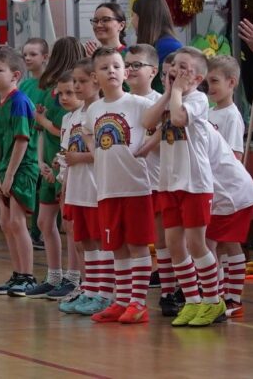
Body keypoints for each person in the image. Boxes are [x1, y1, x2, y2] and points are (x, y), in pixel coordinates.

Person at [142, 46, 225, 327]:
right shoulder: (170, 98)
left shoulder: (198, 99)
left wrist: (176, 91)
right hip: (169, 183)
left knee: (195, 243)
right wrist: (168, 92)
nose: (176, 70)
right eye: (175, 65)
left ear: (198, 78)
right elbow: (147, 122)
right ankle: (191, 301)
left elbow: (178, 119)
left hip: (195, 184)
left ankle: (213, 301)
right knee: (175, 244)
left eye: (184, 67)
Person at [84, 47, 156, 324]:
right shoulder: (94, 109)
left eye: (116, 66)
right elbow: (88, 132)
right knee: (117, 247)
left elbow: (164, 123)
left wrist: (147, 147)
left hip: (135, 188)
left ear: (125, 72)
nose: (111, 71)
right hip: (107, 189)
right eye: (104, 68)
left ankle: (138, 303)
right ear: (95, 77)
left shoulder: (139, 104)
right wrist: (94, 150)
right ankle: (122, 300)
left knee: (137, 245)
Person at [126, 45, 182, 317]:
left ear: (153, 71)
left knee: (165, 241)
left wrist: (148, 144)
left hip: (158, 181)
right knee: (134, 242)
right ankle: (125, 295)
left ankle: (171, 291)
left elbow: (168, 137)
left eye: (137, 65)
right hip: (130, 184)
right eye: (127, 64)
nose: (130, 70)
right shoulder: (119, 102)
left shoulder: (162, 102)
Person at [27, 37, 84, 298]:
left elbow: (58, 129)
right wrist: (41, 162)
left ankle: (73, 277)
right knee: (44, 221)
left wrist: (42, 121)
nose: (64, 97)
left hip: (66, 169)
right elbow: (42, 130)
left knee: (69, 225)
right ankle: (54, 275)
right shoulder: (53, 91)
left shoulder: (76, 100)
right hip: (52, 165)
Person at [58, 58, 115, 315]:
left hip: (96, 188)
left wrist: (79, 157)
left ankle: (105, 293)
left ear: (96, 81)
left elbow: (108, 151)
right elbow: (67, 155)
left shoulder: (103, 112)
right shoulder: (73, 116)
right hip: (77, 188)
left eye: (82, 81)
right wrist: (65, 189)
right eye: (75, 81)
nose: (77, 86)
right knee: (84, 241)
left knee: (101, 241)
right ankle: (90, 290)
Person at [0, 48, 39, 296]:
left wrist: (9, 175)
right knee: (6, 223)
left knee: (17, 223)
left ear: (15, 75)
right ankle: (17, 274)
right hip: (4, 169)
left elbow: (22, 140)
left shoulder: (19, 102)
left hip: (22, 168)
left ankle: (28, 276)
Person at [204, 122, 253, 318]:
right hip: (230, 191)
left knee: (209, 244)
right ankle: (223, 297)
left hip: (232, 193)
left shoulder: (195, 127)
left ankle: (224, 299)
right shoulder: (198, 123)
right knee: (217, 245)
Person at [18, 38, 49, 249]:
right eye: (25, 55)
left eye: (33, 54)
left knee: (45, 189)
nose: (28, 58)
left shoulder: (51, 85)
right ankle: (32, 231)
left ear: (45, 57)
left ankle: (43, 233)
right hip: (27, 144)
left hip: (43, 142)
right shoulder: (25, 85)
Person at [131, 0, 183, 92]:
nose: (132, 21)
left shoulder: (167, 47)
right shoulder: (160, 44)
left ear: (144, 19)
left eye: (133, 15)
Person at [206, 55, 245, 160]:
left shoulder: (232, 116)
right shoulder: (207, 112)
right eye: (206, 82)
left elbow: (236, 156)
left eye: (214, 81)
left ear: (231, 82)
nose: (209, 87)